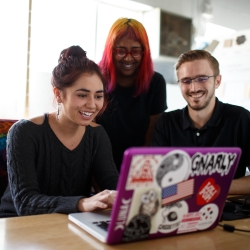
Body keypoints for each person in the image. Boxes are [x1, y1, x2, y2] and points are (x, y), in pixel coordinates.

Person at [0, 45, 119, 217]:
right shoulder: (23, 133)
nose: (93, 105)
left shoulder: (97, 135)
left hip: (69, 221)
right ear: (58, 94)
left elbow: (112, 185)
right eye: (82, 95)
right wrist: (81, 203)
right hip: (17, 223)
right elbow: (26, 203)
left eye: (98, 96)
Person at [151, 49, 250, 195]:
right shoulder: (166, 123)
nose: (194, 87)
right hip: (177, 210)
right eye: (186, 80)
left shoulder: (240, 118)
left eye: (202, 78)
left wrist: (213, 186)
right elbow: (157, 185)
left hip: (230, 212)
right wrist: (192, 189)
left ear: (217, 81)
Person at [96, 18, 167, 171]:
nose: (128, 58)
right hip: (97, 164)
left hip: (138, 166)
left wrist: (140, 171)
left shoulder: (156, 82)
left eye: (135, 51)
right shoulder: (95, 77)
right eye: (121, 51)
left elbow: (152, 132)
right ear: (111, 51)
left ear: (144, 52)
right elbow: (88, 130)